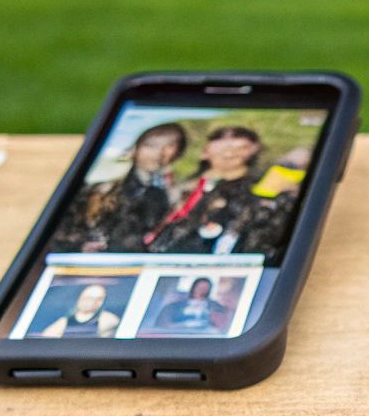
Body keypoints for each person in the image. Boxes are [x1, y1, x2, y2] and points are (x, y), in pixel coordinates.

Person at [50, 122, 188, 252]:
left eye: (171, 146)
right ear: (134, 148)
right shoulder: (100, 188)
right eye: (151, 145)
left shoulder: (160, 196)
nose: (160, 153)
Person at [144, 126, 267, 256]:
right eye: (223, 148)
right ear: (205, 152)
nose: (229, 154)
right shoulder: (185, 188)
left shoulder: (255, 193)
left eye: (239, 148)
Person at [38, 282, 121, 338]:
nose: (92, 302)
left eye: (99, 299)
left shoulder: (108, 319)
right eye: (88, 298)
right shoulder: (66, 321)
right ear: (79, 298)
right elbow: (46, 337)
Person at [150, 277, 229, 333]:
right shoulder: (175, 306)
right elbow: (164, 324)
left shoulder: (214, 306)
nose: (202, 290)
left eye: (205, 288)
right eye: (200, 287)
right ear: (194, 287)